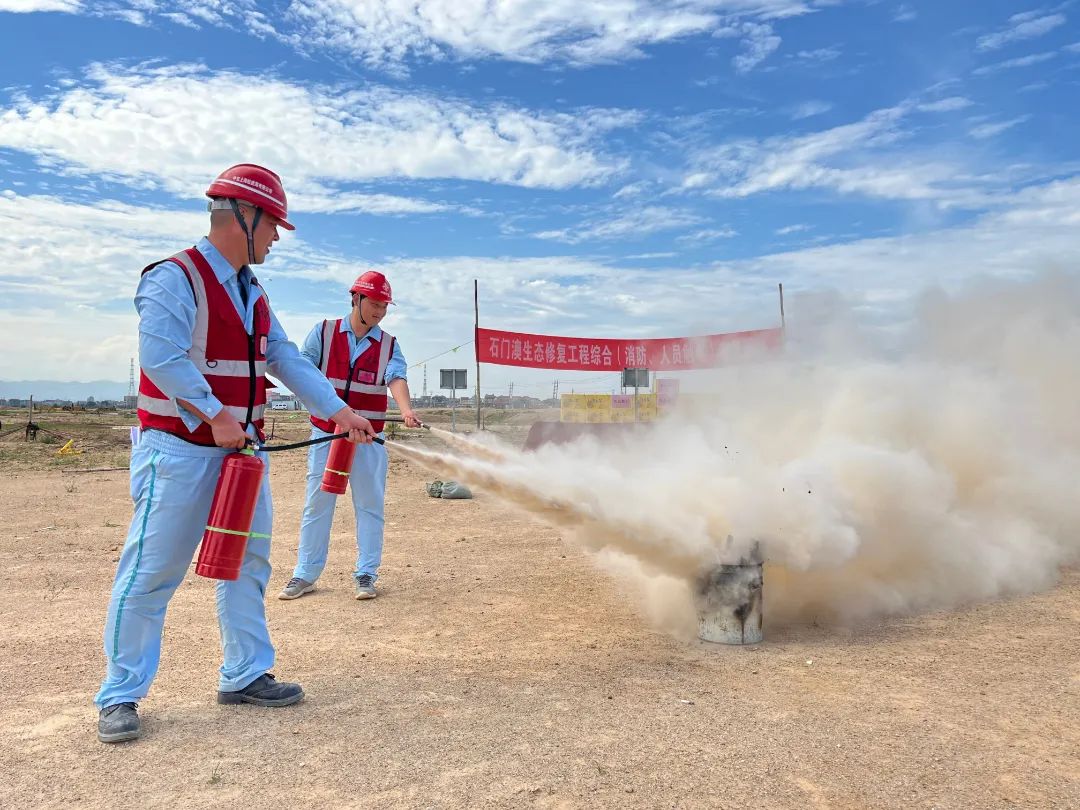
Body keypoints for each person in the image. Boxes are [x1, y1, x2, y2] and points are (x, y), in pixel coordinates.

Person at [95, 164, 376, 744]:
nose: (277, 236)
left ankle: (244, 674)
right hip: (178, 452)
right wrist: (217, 415)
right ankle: (120, 694)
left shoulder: (252, 291)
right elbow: (161, 359)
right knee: (152, 574)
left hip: (239, 456)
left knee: (248, 565)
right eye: (273, 224)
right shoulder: (175, 278)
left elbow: (286, 358)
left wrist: (339, 411)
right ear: (243, 217)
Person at [278, 271, 420, 602]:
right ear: (355, 299)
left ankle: (366, 574)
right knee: (318, 504)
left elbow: (396, 377)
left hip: (369, 440)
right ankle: (305, 573)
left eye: (385, 306)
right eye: (374, 303)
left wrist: (407, 409)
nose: (380, 311)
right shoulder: (324, 333)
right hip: (325, 435)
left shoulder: (389, 345)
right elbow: (302, 371)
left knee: (370, 506)